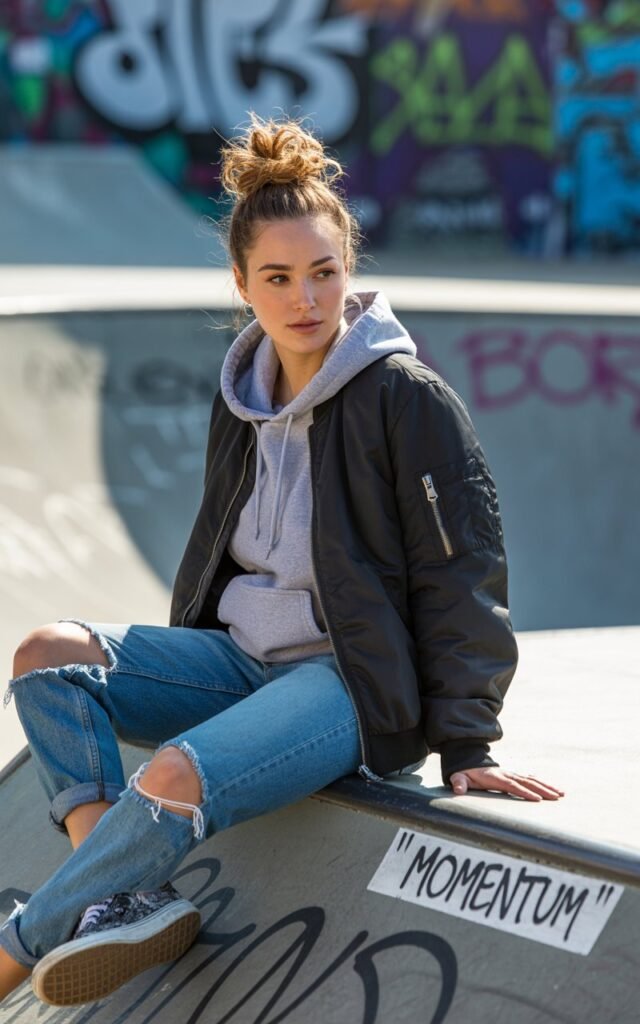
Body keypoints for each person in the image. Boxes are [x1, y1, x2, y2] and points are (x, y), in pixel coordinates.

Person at [0, 116, 563, 1008]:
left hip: (345, 683)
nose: (307, 299)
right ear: (241, 283)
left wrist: (466, 737)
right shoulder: (243, 394)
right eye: (279, 278)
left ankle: (18, 947)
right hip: (240, 666)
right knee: (45, 657)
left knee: (173, 775)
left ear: (350, 271)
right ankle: (118, 895)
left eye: (325, 272)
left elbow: (464, 570)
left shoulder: (403, 397)